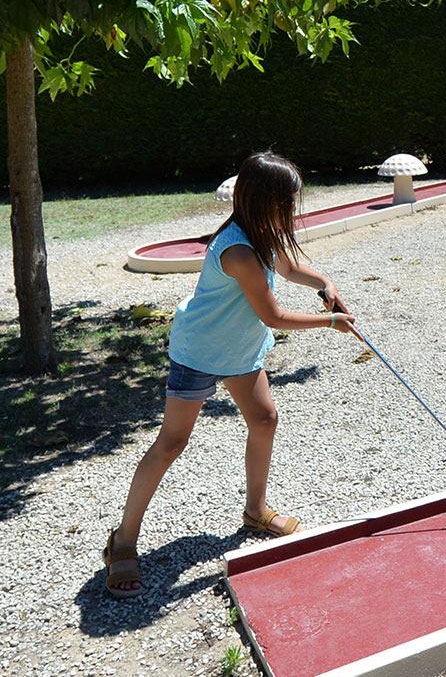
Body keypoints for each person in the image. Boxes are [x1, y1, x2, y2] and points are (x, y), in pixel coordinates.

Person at [104, 151, 357, 598]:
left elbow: (289, 267)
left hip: (238, 349)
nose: (294, 208)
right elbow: (274, 316)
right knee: (171, 443)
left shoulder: (263, 234)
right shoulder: (239, 249)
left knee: (264, 420)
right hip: (200, 351)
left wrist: (324, 284)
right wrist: (333, 322)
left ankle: (255, 510)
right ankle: (122, 542)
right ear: (266, 201)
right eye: (289, 200)